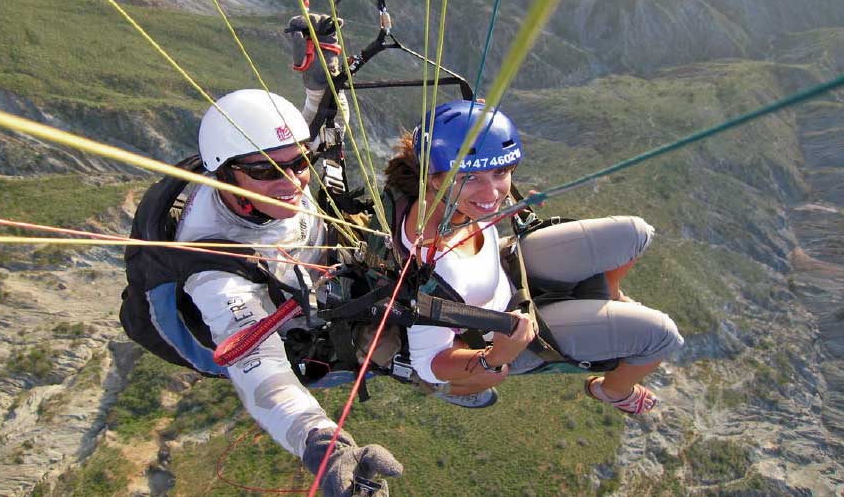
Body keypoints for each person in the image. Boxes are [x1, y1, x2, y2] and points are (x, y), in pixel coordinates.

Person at [382, 100, 684, 413]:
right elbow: (429, 363)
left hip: (505, 267)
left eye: (501, 172)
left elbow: (479, 189)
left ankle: (609, 293)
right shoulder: (433, 270)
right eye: (470, 177)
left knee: (635, 233)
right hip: (505, 331)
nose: (492, 194)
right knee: (661, 336)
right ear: (434, 178)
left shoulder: (442, 199)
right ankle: (613, 391)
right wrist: (494, 357)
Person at [172, 87, 401, 496]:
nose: (292, 181)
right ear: (225, 173)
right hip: (310, 320)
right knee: (395, 345)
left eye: (300, 162)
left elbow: (322, 120)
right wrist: (323, 445)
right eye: (266, 171)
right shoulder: (214, 265)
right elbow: (257, 364)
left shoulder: (267, 181)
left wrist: (319, 79)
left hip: (330, 262)